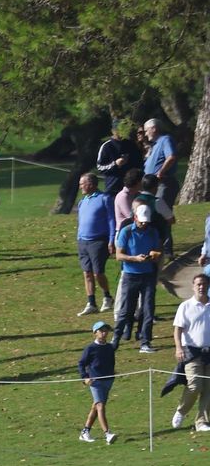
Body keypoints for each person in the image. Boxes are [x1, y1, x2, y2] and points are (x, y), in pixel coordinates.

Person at [114, 203, 163, 352]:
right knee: (126, 310)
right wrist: (135, 258)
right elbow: (119, 255)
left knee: (148, 309)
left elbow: (158, 249)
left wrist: (154, 255)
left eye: (146, 222)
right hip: (131, 276)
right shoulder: (126, 232)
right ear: (135, 218)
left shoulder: (152, 232)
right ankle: (115, 339)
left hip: (148, 275)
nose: (143, 224)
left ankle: (145, 341)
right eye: (141, 221)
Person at [171, 274, 210, 434]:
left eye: (204, 284)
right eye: (198, 284)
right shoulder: (186, 306)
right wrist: (178, 348)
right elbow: (177, 330)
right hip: (192, 352)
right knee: (194, 385)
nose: (201, 287)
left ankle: (202, 421)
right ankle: (181, 411)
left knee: (208, 389)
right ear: (193, 286)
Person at [74, 173, 116, 316]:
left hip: (98, 241)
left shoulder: (104, 199)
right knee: (87, 273)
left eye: (82, 184)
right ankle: (91, 303)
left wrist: (112, 240)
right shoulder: (82, 201)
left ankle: (107, 297)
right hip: (83, 241)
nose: (80, 187)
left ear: (91, 184)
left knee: (98, 272)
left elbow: (112, 220)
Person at [78, 321, 118, 444]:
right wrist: (85, 377)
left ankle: (85, 431)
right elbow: (81, 363)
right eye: (101, 331)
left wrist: (113, 373)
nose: (104, 333)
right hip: (95, 382)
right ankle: (107, 434)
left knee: (96, 407)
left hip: (108, 381)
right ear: (95, 333)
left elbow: (111, 362)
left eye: (106, 330)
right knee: (100, 406)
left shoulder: (110, 347)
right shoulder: (90, 348)